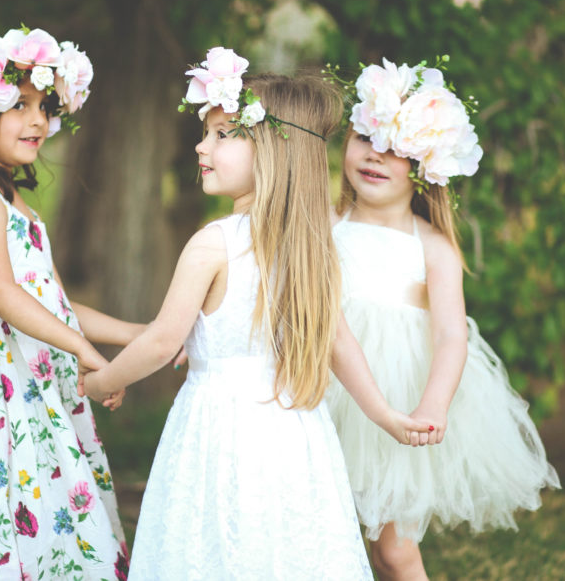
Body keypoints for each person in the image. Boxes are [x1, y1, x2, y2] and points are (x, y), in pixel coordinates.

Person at [82, 48, 427, 580]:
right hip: (296, 437)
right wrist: (384, 413)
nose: (202, 146)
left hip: (219, 432)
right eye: (206, 133)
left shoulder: (214, 242)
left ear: (269, 151)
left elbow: (160, 343)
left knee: (216, 546)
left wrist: (99, 379)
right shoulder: (312, 248)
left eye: (223, 135)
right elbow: (340, 343)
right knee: (286, 549)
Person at [0, 27, 134, 581]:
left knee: (48, 511)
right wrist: (82, 349)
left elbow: (54, 303)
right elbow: (3, 293)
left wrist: (140, 333)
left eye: (45, 106)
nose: (39, 120)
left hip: (28, 383)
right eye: (21, 105)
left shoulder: (17, 203)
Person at [326, 57, 560, 580]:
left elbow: (452, 335)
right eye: (365, 137)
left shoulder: (432, 246)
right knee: (326, 531)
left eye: (397, 150)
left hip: (396, 399)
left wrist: (433, 403)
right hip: (323, 386)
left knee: (393, 550)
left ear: (427, 166)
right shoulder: (323, 222)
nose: (375, 156)